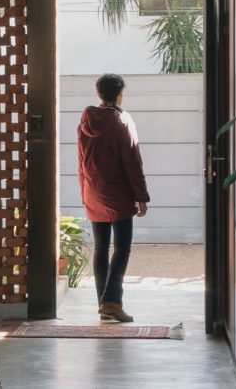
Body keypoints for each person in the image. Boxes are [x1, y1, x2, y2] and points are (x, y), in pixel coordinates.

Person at [76, 73, 151, 323]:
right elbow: (132, 162)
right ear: (119, 94)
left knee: (100, 248)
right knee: (122, 247)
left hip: (93, 191)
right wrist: (141, 195)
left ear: (99, 93)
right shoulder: (122, 121)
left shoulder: (85, 121)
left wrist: (85, 192)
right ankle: (111, 302)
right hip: (118, 193)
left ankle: (104, 303)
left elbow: (81, 162)